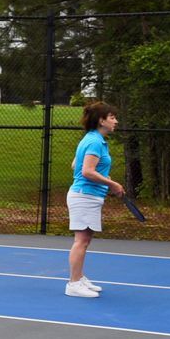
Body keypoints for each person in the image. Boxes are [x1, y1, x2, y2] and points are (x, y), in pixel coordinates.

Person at [65, 101, 126, 298]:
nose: (116, 121)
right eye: (112, 117)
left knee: (85, 239)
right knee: (81, 241)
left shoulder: (92, 139)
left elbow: (75, 165)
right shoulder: (95, 141)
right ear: (101, 120)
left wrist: (102, 178)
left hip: (89, 195)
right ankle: (73, 284)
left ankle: (79, 277)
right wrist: (112, 184)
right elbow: (86, 171)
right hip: (84, 196)